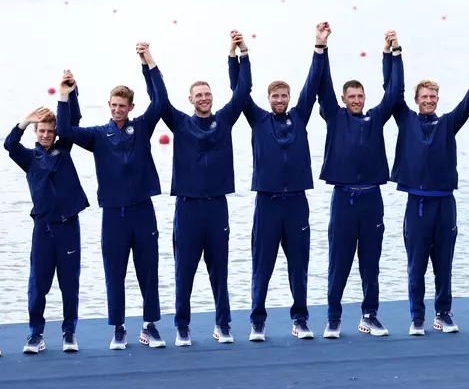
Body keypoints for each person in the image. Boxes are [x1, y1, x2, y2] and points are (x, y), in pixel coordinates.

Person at [139, 32, 252, 346]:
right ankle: (182, 327)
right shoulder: (179, 123)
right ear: (190, 100)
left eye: (207, 94)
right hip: (188, 209)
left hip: (216, 207)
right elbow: (159, 98)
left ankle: (223, 325)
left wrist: (240, 53)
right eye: (198, 95)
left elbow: (243, 91)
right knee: (184, 272)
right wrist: (148, 62)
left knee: (220, 271)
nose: (204, 98)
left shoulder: (224, 120)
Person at [56, 43, 169, 349]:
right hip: (113, 216)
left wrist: (148, 62)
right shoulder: (97, 135)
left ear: (130, 107)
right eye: (114, 105)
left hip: (143, 211)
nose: (118, 109)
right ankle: (119, 329)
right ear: (109, 105)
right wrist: (66, 95)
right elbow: (65, 130)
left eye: (122, 105)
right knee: (114, 273)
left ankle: (149, 327)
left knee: (149, 271)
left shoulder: (142, 127)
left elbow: (160, 100)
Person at [228, 22, 328, 341]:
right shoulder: (258, 119)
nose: (281, 99)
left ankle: (300, 320)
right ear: (269, 98)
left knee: (299, 266)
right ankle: (258, 321)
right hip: (267, 204)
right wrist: (239, 55)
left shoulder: (299, 116)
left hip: (296, 203)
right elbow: (239, 91)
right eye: (276, 96)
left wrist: (319, 46)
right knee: (262, 266)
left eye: (284, 95)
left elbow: (312, 84)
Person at [315, 29, 404, 338]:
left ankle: (369, 316)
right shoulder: (334, 116)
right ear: (343, 99)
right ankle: (333, 318)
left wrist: (392, 53)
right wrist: (322, 46)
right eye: (351, 96)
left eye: (360, 96)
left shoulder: (375, 118)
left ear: (365, 98)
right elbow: (322, 85)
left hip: (371, 200)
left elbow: (395, 91)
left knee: (370, 262)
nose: (356, 100)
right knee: (338, 262)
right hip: (343, 201)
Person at [390, 52, 469, 336]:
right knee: (416, 265)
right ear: (416, 100)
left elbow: (468, 103)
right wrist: (394, 56)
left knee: (443, 264)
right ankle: (417, 318)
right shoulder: (406, 119)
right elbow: (393, 90)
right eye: (425, 97)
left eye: (433, 96)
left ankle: (443, 314)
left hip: (444, 203)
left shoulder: (447, 123)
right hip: (417, 205)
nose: (429, 100)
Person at [4, 71, 88, 353]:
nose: (46, 135)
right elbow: (9, 144)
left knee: (69, 283)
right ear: (36, 132)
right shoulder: (29, 157)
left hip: (68, 226)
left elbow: (72, 121)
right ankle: (35, 334)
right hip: (43, 229)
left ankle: (69, 332)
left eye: (50, 131)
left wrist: (70, 93)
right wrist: (25, 120)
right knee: (38, 284)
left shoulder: (64, 148)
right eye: (41, 131)